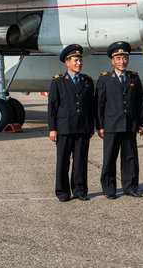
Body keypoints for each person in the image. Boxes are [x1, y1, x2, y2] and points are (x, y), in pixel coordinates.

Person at [96, 41, 143, 199]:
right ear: (113, 61)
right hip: (111, 125)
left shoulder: (134, 77)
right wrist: (100, 126)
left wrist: (140, 123)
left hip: (129, 125)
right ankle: (109, 189)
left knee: (130, 158)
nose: (122, 61)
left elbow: (139, 102)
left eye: (124, 57)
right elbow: (100, 104)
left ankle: (130, 187)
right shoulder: (105, 79)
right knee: (110, 158)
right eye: (118, 58)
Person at [48, 44, 95, 202]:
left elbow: (90, 106)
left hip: (82, 128)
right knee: (63, 161)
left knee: (81, 161)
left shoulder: (87, 81)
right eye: (75, 60)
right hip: (64, 128)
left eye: (80, 60)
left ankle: (80, 190)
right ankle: (62, 192)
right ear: (67, 62)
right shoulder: (58, 82)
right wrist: (52, 129)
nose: (79, 63)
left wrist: (90, 127)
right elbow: (52, 107)